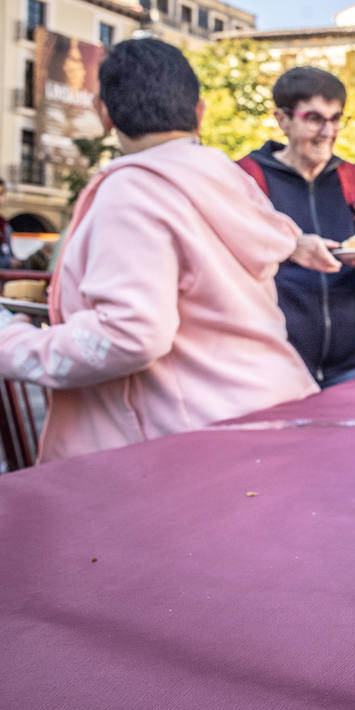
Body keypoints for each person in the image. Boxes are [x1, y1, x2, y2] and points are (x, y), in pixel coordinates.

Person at [0, 38, 322, 462]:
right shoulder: (228, 176)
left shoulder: (132, 190)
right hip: (268, 411)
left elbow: (130, 335)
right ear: (199, 113)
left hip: (193, 446)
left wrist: (11, 341)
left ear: (104, 113)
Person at [239, 67, 355, 387]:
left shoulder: (354, 180)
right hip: (276, 368)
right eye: (314, 118)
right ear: (282, 119)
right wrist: (290, 250)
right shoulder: (247, 179)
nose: (328, 131)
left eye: (336, 118)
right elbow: (228, 268)